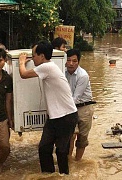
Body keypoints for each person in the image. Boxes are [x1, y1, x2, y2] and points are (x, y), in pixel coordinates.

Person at [18, 41, 78, 174]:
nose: (32, 58)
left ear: (42, 56)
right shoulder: (48, 67)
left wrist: (21, 61)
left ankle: (64, 176)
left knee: (61, 151)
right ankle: (49, 175)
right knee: (44, 148)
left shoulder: (47, 67)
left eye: (34, 55)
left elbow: (23, 74)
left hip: (67, 116)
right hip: (54, 117)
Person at [65, 49, 95, 161]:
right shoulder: (62, 73)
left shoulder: (83, 76)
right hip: (70, 107)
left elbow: (76, 97)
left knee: (82, 138)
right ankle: (68, 161)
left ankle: (77, 162)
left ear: (78, 62)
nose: (71, 63)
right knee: (70, 136)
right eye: (68, 60)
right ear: (65, 61)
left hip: (84, 108)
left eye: (74, 61)